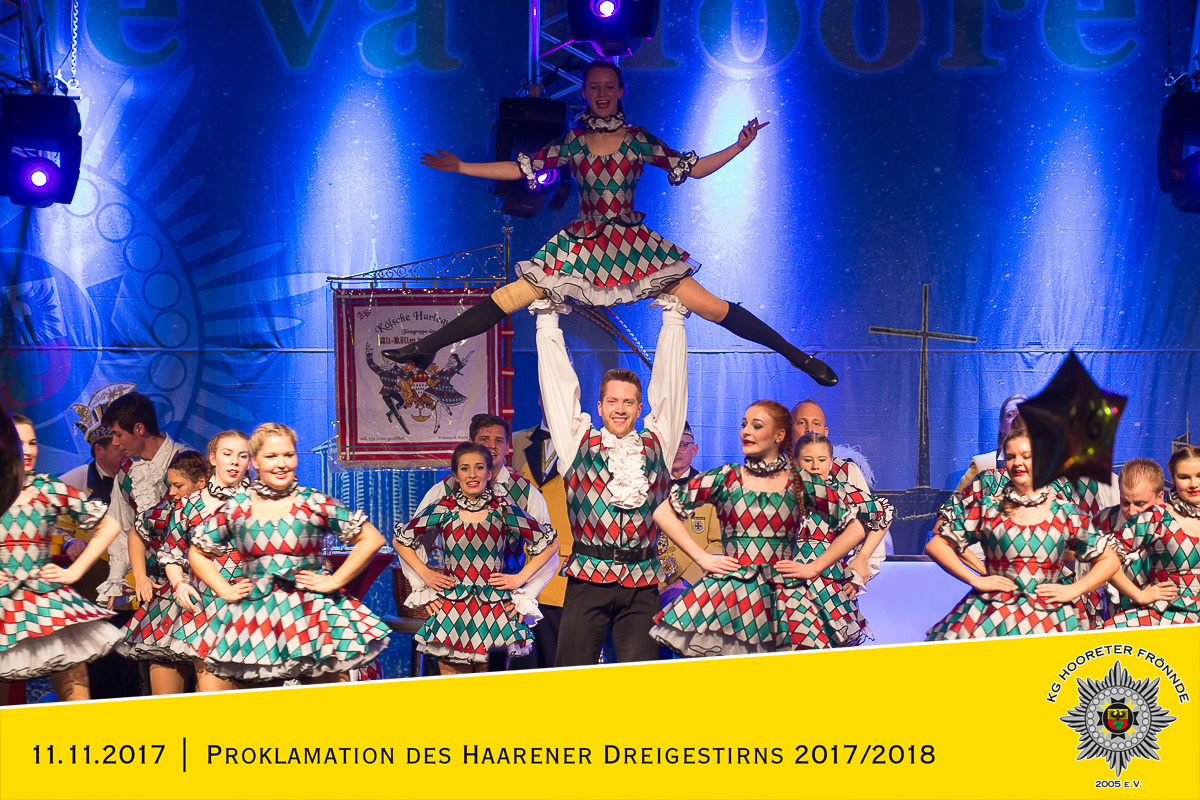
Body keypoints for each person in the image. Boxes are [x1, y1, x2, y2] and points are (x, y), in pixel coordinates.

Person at [384, 59, 836, 387]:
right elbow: (520, 169)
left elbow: (693, 168)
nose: (602, 93)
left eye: (609, 86)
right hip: (582, 243)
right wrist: (462, 167)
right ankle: (427, 347)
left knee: (712, 307)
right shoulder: (574, 142)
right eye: (594, 87)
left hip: (634, 245)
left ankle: (797, 357)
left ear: (620, 91)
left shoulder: (638, 140)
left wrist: (738, 146)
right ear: (584, 94)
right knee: (510, 296)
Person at [535, 297, 688, 666]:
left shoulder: (658, 444)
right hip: (587, 579)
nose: (620, 409)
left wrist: (673, 319)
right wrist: (547, 322)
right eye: (613, 402)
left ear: (639, 408)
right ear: (600, 407)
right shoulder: (577, 443)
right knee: (573, 673)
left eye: (629, 402)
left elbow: (671, 390)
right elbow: (559, 390)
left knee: (639, 679)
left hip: (642, 583)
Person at [651, 402, 865, 655]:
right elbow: (663, 513)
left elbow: (855, 529)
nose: (747, 432)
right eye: (745, 425)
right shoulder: (726, 478)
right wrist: (702, 558)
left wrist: (814, 567)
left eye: (758, 426)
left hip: (783, 595)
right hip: (734, 593)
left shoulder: (799, 483)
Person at [187, 423, 390, 683]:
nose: (281, 464)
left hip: (311, 611)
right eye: (271, 456)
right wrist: (224, 589)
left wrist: (335, 581)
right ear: (255, 461)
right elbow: (197, 552)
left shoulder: (312, 502)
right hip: (258, 614)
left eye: (288, 455)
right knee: (258, 700)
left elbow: (371, 538)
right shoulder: (238, 507)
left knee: (324, 697)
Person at [925, 429, 1120, 639]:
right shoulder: (988, 508)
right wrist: (976, 579)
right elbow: (937, 545)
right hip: (994, 614)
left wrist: (1076, 589)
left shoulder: (1064, 512)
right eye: (1011, 457)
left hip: (1049, 616)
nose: (1018, 462)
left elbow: (1109, 559)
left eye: (1026, 456)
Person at [395, 442, 559, 673]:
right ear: (455, 475)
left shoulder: (503, 509)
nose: (472, 474)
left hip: (495, 610)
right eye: (465, 468)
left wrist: (520, 579)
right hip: (452, 609)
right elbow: (401, 541)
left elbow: (550, 545)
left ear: (489, 473)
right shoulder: (443, 507)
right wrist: (426, 575)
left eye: (479, 467)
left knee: (491, 690)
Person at [0, 416, 124, 702]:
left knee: (75, 689)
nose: (27, 450)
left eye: (32, 442)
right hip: (3, 601)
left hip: (45, 598)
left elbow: (109, 526)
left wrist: (73, 572)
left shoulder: (47, 488)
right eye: (19, 443)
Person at [160, 431, 252, 692]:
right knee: (214, 696)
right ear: (213, 458)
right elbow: (171, 552)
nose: (234, 461)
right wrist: (179, 584)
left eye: (242, 455)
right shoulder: (188, 505)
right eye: (227, 454)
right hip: (207, 606)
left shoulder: (261, 501)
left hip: (254, 606)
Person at [115, 451, 209, 694]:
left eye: (179, 485)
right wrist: (140, 576)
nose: (172, 491)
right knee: (165, 697)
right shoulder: (169, 509)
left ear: (201, 482)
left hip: (209, 602)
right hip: (171, 604)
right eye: (170, 485)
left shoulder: (222, 509)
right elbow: (137, 531)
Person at [793, 431, 894, 644]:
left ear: (831, 463)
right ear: (795, 462)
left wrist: (863, 557)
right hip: (788, 586)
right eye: (808, 460)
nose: (815, 466)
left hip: (830, 588)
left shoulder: (842, 493)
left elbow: (884, 514)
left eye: (822, 460)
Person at [97, 392, 186, 607]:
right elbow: (121, 527)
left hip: (189, 578)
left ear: (139, 429)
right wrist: (116, 578)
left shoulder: (186, 462)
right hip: (151, 585)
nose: (115, 442)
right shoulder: (126, 474)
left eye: (118, 435)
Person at [790, 399, 889, 581]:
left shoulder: (845, 475)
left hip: (832, 581)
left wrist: (861, 564)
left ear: (826, 432)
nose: (809, 429)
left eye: (816, 423)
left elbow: (879, 516)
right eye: (801, 423)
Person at [1105, 446, 1199, 627]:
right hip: (1173, 613)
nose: (1193, 483)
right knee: (1110, 634)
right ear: (1173, 479)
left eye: (1199, 475)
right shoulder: (1158, 516)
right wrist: (1139, 595)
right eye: (1184, 477)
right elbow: (1103, 556)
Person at [1089, 458, 1166, 624]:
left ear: (1160, 498)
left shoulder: (1173, 525)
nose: (1131, 511)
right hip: (1115, 618)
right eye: (1125, 502)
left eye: (1140, 503)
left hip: (1162, 617)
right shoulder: (1103, 521)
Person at [657, 421, 720, 605]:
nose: (677, 451)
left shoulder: (710, 490)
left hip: (695, 589)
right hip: (649, 589)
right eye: (672, 445)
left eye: (683, 445)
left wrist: (686, 581)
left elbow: (718, 545)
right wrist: (654, 585)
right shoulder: (646, 489)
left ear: (694, 450)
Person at [954, 394, 1026, 492]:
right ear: (1002, 426)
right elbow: (958, 501)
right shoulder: (982, 465)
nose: (1017, 420)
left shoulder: (1045, 468)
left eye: (1023, 415)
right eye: (1010, 415)